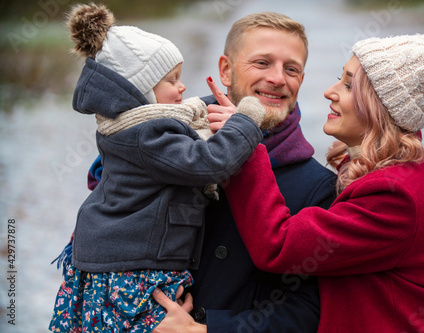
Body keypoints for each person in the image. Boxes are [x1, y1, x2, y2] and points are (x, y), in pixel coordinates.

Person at [205, 20, 424, 332]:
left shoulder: (395, 195)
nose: (330, 92)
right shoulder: (385, 173)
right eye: (340, 78)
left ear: (381, 108)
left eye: (349, 85)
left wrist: (246, 140)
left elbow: (279, 245)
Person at [84, 11, 336, 333]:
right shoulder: (158, 142)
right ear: (226, 70)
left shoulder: (317, 186)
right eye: (262, 63)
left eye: (291, 69)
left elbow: (304, 314)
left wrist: (204, 330)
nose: (277, 78)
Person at [49, 4, 266, 332]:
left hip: (121, 259)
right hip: (131, 270)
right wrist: (246, 121)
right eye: (172, 80)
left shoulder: (133, 125)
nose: (182, 88)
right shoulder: (148, 133)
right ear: (142, 91)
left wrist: (204, 109)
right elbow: (207, 163)